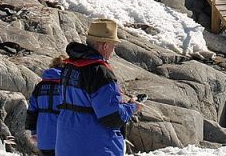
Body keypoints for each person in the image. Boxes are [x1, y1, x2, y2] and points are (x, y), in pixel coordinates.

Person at [56, 19, 141, 156]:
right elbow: (111, 117)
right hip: (95, 146)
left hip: (66, 144)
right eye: (113, 45)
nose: (113, 50)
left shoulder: (70, 67)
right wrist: (132, 107)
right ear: (105, 45)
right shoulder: (100, 72)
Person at [25, 57, 64, 156]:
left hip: (43, 136)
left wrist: (33, 131)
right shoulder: (67, 85)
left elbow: (32, 110)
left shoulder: (40, 86)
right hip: (63, 136)